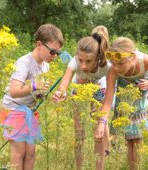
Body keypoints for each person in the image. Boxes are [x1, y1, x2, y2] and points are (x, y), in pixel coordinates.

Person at [0, 23, 64, 170]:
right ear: (39, 44)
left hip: (29, 111)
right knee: (19, 152)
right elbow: (14, 91)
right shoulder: (24, 63)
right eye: (53, 52)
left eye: (58, 53)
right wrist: (34, 86)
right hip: (13, 109)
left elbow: (37, 92)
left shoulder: (45, 65)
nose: (55, 56)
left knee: (31, 152)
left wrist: (45, 95)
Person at [95, 37, 148, 170]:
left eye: (120, 64)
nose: (116, 67)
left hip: (141, 100)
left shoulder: (145, 60)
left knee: (137, 139)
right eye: (113, 63)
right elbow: (108, 100)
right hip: (124, 100)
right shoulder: (113, 71)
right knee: (128, 139)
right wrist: (101, 123)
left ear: (132, 57)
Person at [52, 25, 110, 170]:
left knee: (98, 133)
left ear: (97, 58)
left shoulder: (106, 66)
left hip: (98, 89)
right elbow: (64, 83)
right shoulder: (74, 61)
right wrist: (61, 92)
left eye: (88, 61)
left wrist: (103, 121)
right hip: (79, 89)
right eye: (81, 60)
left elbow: (109, 94)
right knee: (79, 134)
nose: (83, 66)